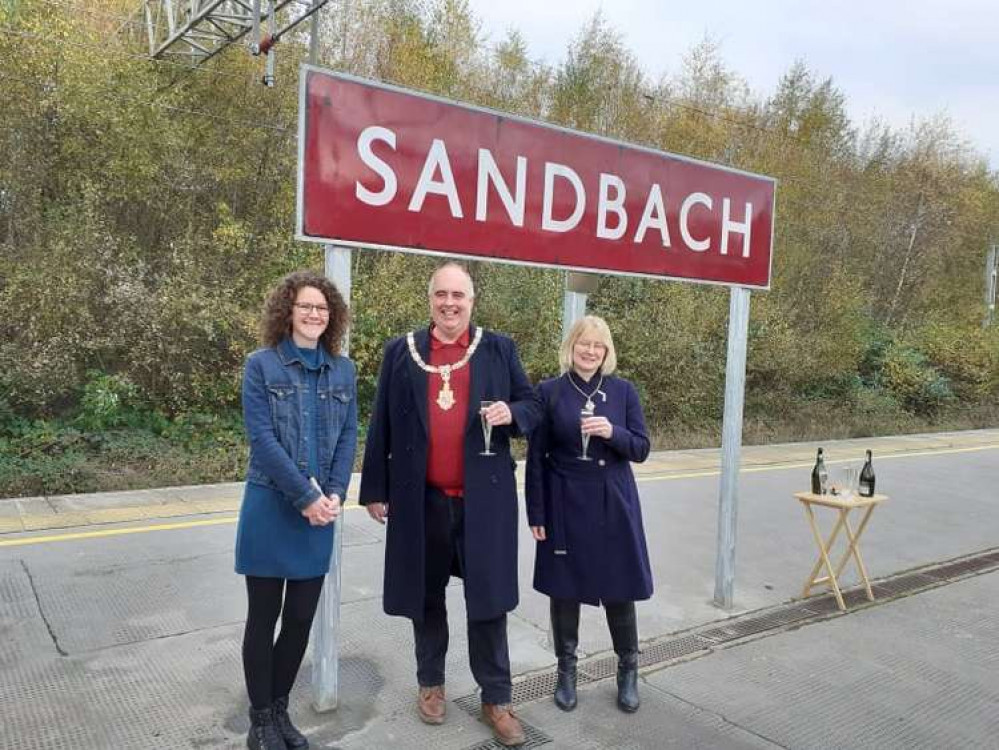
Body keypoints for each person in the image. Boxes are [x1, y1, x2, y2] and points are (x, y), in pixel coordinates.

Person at [359, 262, 541, 747]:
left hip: (484, 502)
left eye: (458, 295)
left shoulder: (498, 348)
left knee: (488, 601)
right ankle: (431, 685)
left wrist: (512, 413)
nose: (449, 303)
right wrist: (375, 488)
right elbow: (382, 423)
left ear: (472, 300)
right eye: (441, 294)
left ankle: (496, 699)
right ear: (430, 299)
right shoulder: (403, 351)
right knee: (426, 597)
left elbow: (532, 406)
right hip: (423, 501)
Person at [234, 270, 358, 750]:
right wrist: (304, 497)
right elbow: (262, 440)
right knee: (263, 617)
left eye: (322, 309)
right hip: (271, 505)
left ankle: (281, 710)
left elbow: (348, 436)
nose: (314, 315)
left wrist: (335, 493)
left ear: (332, 318)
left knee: (301, 619)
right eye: (306, 306)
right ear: (288, 311)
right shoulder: (261, 366)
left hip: (321, 511)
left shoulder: (342, 370)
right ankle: (260, 719)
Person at [526, 315, 653, 714]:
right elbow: (536, 459)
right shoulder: (549, 391)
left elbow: (642, 448)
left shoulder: (623, 392)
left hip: (613, 499)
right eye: (584, 343)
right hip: (564, 499)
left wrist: (611, 432)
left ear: (607, 352)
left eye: (599, 345)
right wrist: (537, 511)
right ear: (572, 346)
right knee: (565, 589)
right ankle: (566, 671)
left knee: (619, 586)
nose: (591, 351)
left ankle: (628, 669)